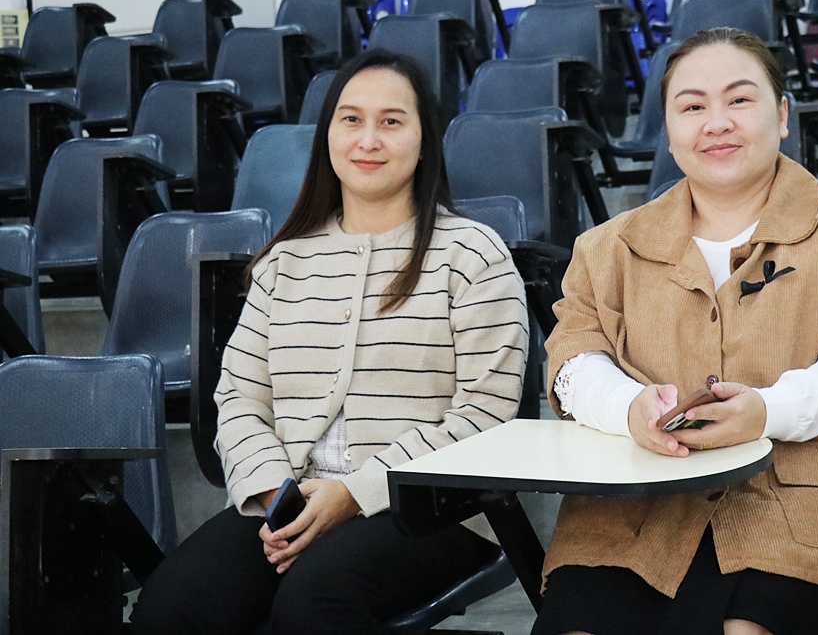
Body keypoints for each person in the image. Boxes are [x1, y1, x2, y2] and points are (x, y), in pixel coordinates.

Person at [531, 28, 818, 635]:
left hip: (807, 505)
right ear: (669, 130)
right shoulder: (606, 248)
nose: (716, 123)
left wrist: (767, 410)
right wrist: (627, 407)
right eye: (692, 107)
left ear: (782, 115)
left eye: (739, 100)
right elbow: (573, 357)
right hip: (640, 511)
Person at [131, 50, 528, 635]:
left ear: (425, 141)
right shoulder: (283, 262)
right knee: (171, 609)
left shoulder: (472, 254)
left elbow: (486, 414)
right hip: (289, 498)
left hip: (432, 507)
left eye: (391, 121)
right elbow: (239, 398)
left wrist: (355, 492)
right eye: (351, 119)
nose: (368, 139)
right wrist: (276, 493)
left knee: (313, 606)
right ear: (327, 136)